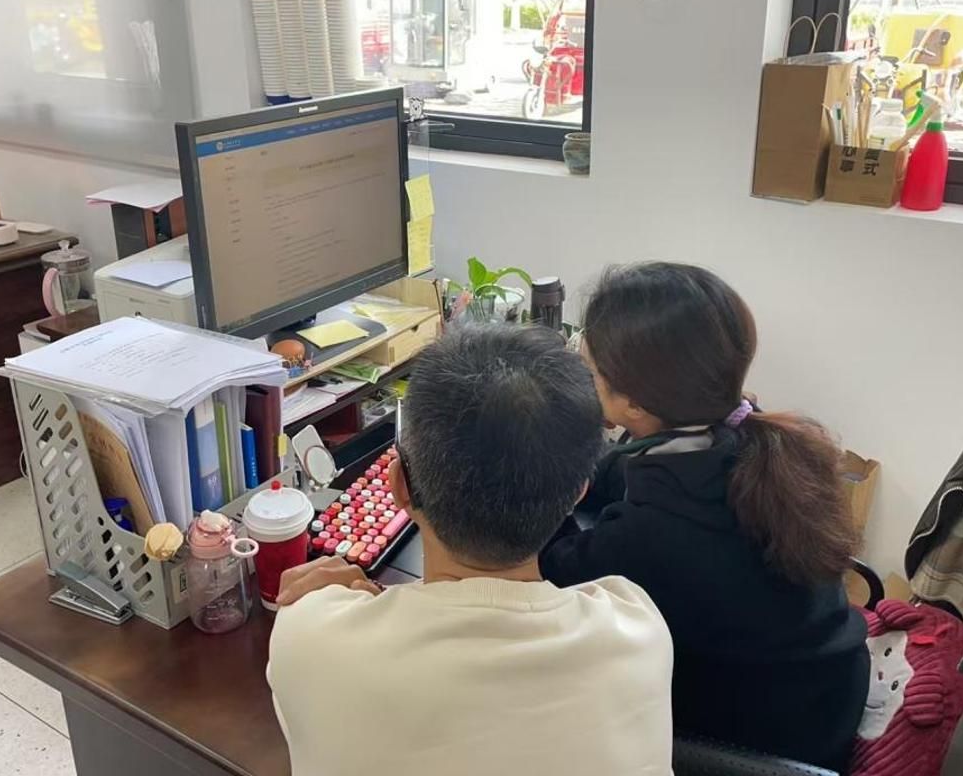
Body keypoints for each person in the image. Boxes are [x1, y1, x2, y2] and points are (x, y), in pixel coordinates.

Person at [268, 324, 675, 776]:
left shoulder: (308, 637)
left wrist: (358, 598)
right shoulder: (638, 629)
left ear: (399, 485)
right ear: (578, 493)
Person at [540, 262, 870, 772]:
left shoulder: (653, 535)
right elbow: (621, 472)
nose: (583, 371)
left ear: (634, 403)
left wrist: (542, 469)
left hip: (766, 747)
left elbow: (550, 567)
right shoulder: (746, 439)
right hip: (826, 690)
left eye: (591, 369)